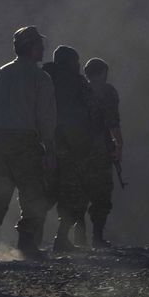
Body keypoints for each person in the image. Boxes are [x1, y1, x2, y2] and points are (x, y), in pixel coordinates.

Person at [0, 26, 56, 263]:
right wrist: (49, 146)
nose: (43, 49)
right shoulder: (40, 77)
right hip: (24, 141)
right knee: (33, 193)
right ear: (31, 48)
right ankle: (27, 245)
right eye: (39, 45)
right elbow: (46, 116)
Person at [42, 45, 97, 252]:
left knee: (44, 193)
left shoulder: (42, 78)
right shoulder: (78, 82)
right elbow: (92, 110)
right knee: (73, 192)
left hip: (42, 144)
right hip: (71, 146)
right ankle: (61, 237)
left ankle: (29, 239)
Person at [83, 57, 122, 248]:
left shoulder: (79, 90)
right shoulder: (107, 92)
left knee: (80, 190)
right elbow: (112, 121)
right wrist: (119, 145)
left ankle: (73, 236)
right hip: (99, 147)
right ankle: (96, 237)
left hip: (78, 147)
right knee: (102, 192)